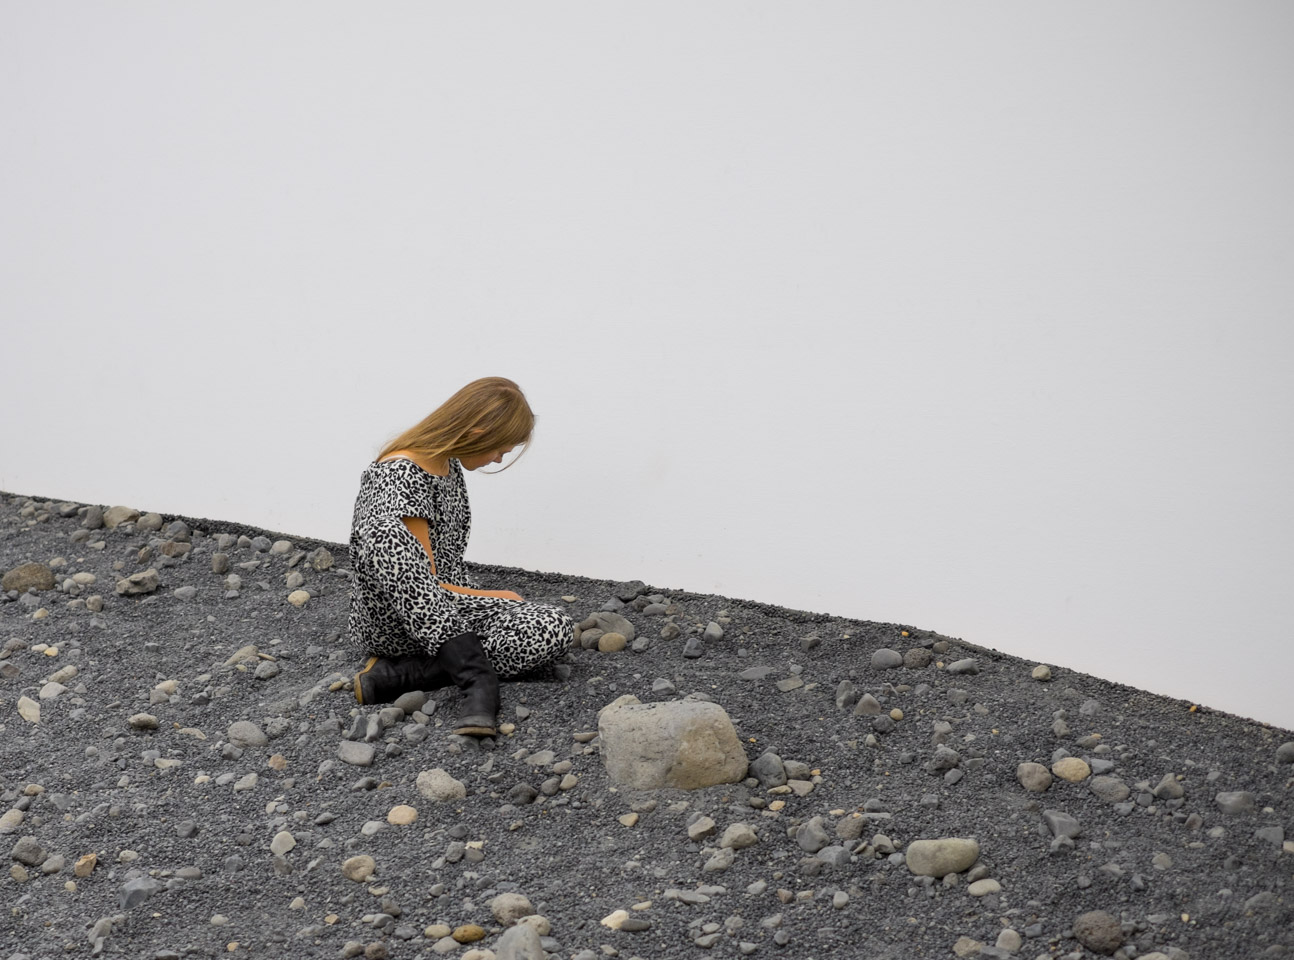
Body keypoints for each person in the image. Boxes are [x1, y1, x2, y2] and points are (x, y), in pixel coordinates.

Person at [345, 376, 573, 736]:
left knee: (550, 629)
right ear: (478, 431)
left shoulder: (447, 465)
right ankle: (476, 679)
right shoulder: (399, 476)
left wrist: (488, 600)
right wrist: (493, 598)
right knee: (543, 622)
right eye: (500, 449)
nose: (499, 458)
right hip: (400, 620)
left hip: (446, 604)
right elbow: (418, 585)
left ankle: (407, 675)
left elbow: (446, 574)